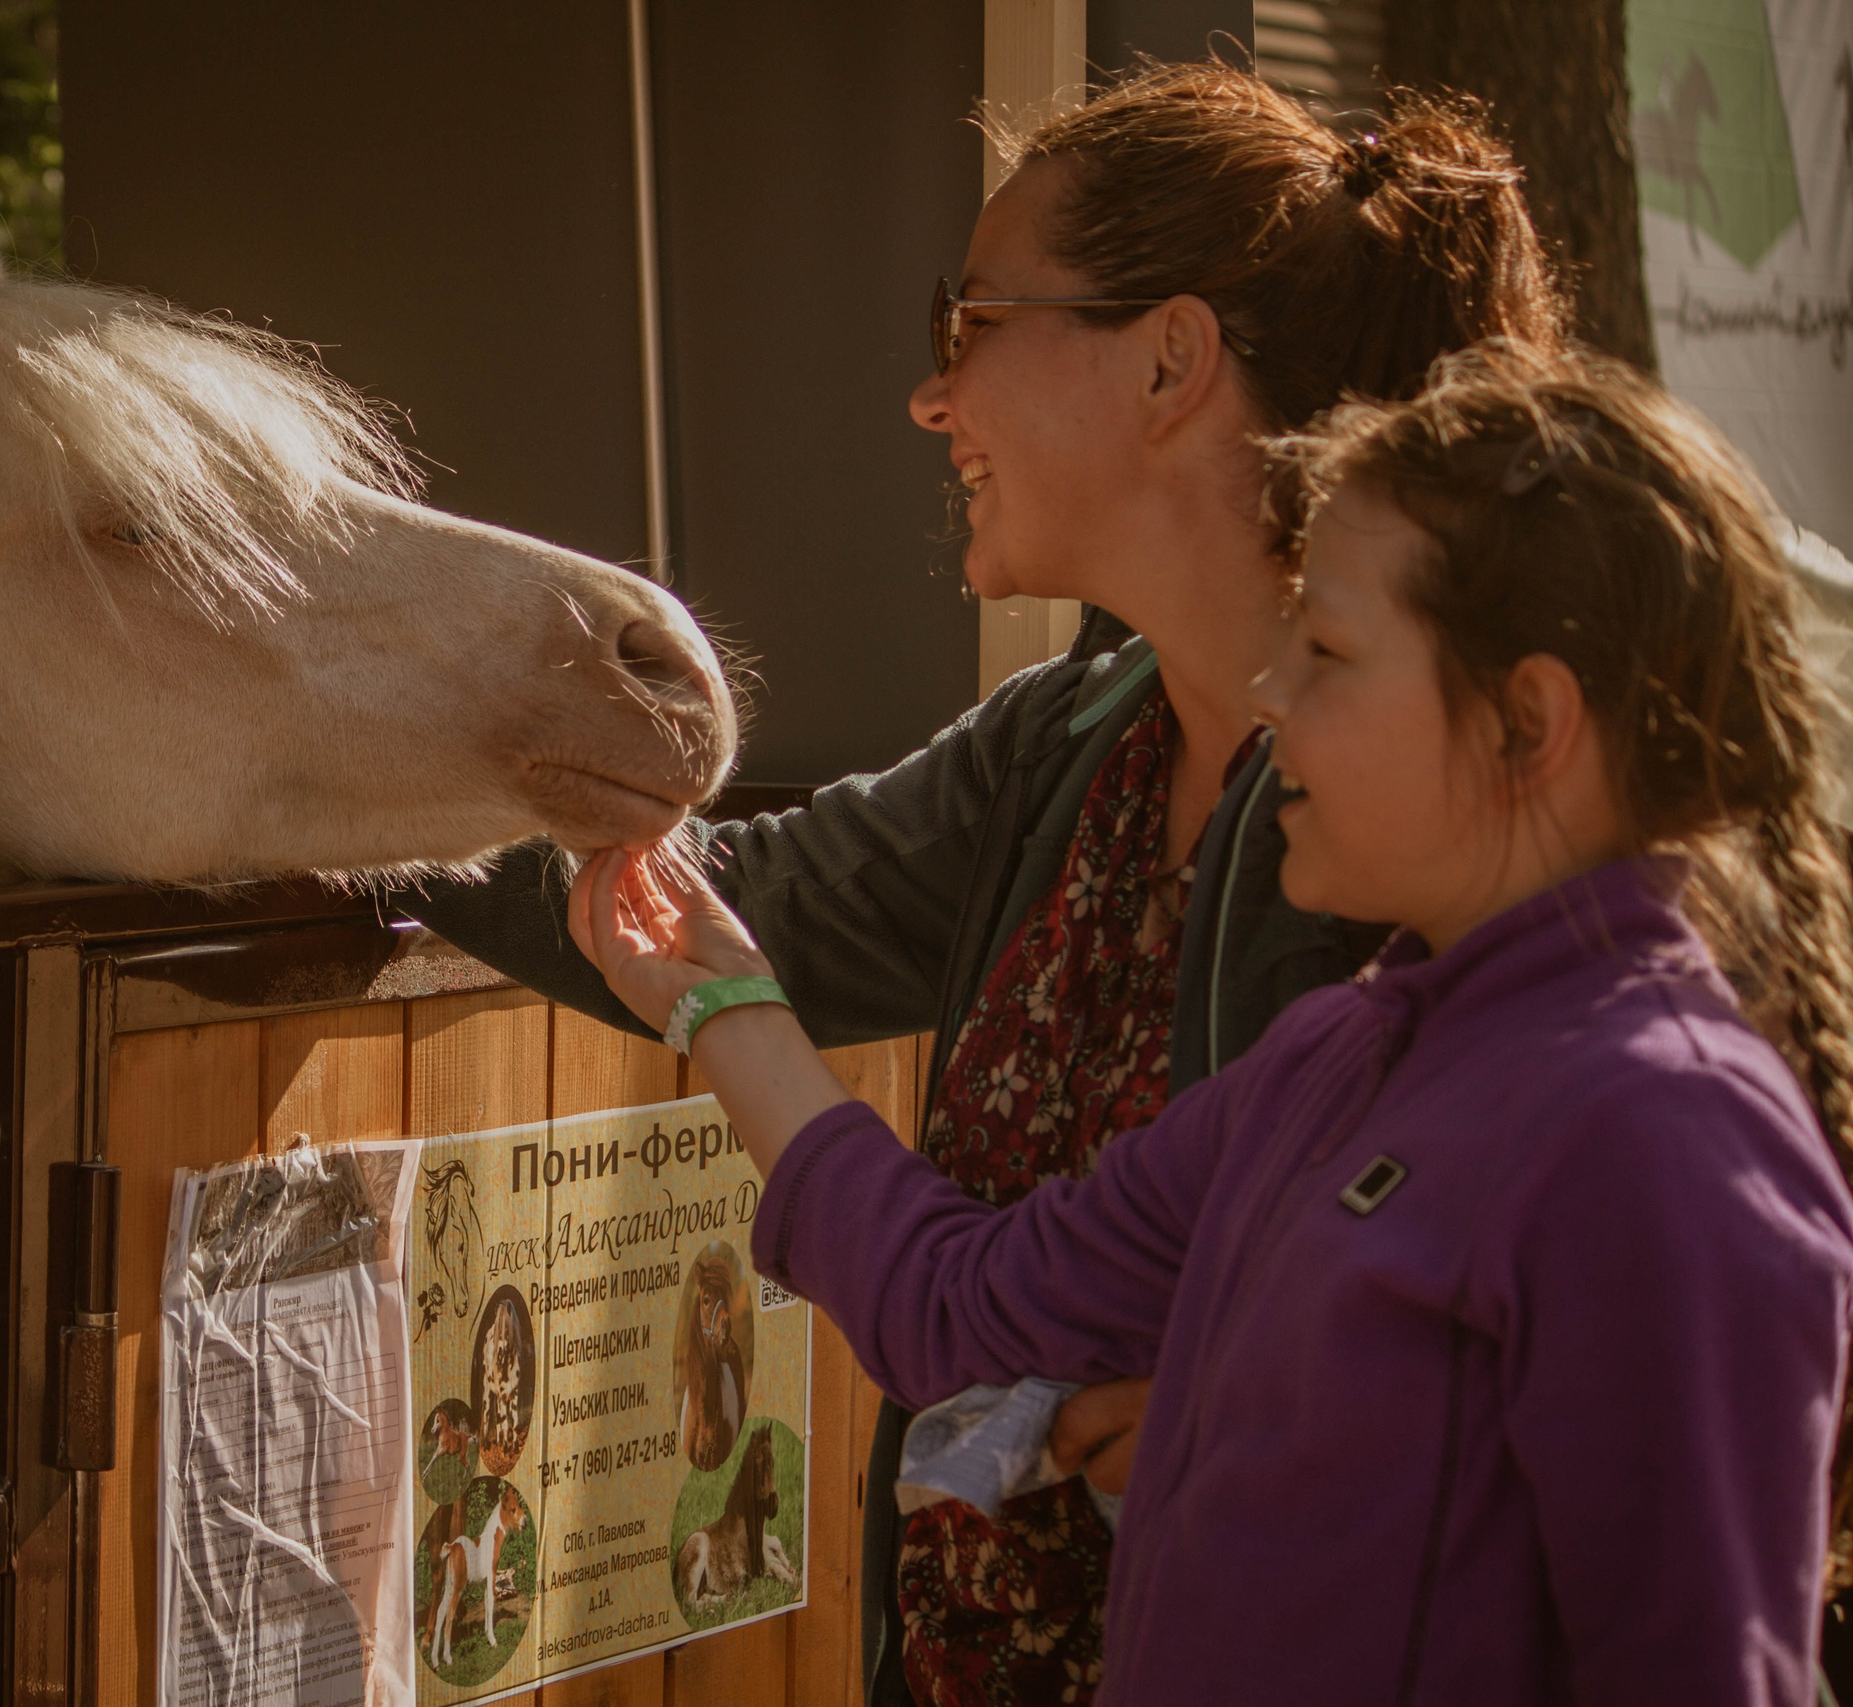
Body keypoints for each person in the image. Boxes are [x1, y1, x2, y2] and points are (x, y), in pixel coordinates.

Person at [405, 62, 1565, 1705]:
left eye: (968, 325)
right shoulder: (1069, 740)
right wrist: (322, 747)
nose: (928, 399)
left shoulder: (1456, 821)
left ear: (1168, 361)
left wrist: (1301, 1410)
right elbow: (715, 920)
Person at [565, 344, 1853, 1706]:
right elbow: (963, 1308)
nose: (1274, 697)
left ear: (1529, 722)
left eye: (1333, 653)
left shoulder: (1666, 1139)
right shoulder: (1339, 1060)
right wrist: (721, 997)